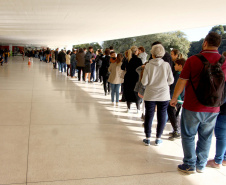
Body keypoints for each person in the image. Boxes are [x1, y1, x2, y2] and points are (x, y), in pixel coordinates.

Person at [170, 32, 226, 174]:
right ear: (218, 44)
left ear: (205, 42)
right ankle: (200, 165)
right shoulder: (224, 61)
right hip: (214, 107)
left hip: (192, 106)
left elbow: (182, 81)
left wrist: (174, 98)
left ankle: (189, 164)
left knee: (188, 135)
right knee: (206, 136)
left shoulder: (193, 60)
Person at [141, 44, 174, 146]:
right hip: (163, 95)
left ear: (152, 54)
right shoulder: (167, 65)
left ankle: (147, 137)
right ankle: (158, 138)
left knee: (149, 115)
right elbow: (171, 80)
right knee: (162, 115)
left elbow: (144, 82)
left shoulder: (148, 65)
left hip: (150, 94)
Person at [167, 58, 186, 140]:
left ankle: (176, 130)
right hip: (181, 98)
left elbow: (175, 87)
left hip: (176, 98)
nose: (174, 66)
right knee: (176, 114)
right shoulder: (185, 74)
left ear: (180, 66)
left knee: (172, 113)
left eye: (175, 65)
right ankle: (176, 130)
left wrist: (172, 98)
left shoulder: (179, 75)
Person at [121, 46, 142, 113]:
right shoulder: (139, 60)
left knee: (128, 92)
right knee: (136, 93)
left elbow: (122, 67)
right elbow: (141, 69)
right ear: (136, 51)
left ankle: (128, 108)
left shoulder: (127, 59)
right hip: (136, 77)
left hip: (128, 77)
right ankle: (138, 109)